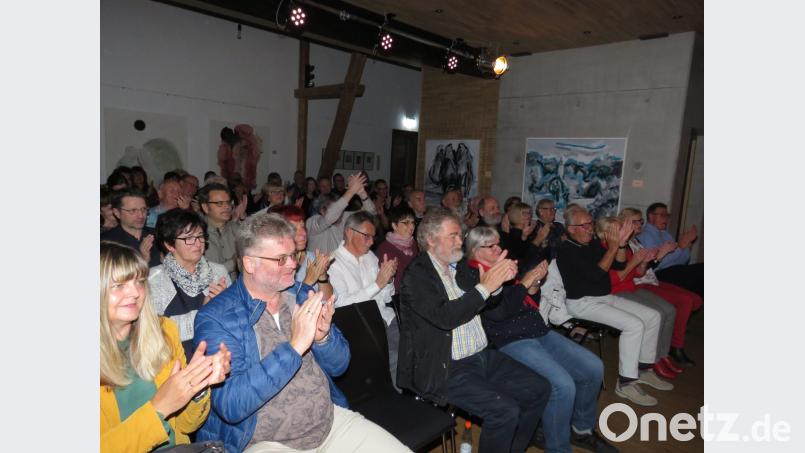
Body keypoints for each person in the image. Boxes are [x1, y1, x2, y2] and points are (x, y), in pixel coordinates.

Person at [193, 213, 409, 453]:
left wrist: (323, 339)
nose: (293, 264)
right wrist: (294, 348)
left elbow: (340, 366)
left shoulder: (300, 294)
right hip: (265, 442)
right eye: (281, 259)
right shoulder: (217, 318)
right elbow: (232, 406)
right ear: (250, 263)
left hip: (328, 422)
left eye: (293, 255)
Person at [398, 207, 550, 453]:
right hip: (446, 366)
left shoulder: (456, 268)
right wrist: (485, 287)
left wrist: (496, 283)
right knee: (505, 411)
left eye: (460, 235)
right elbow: (445, 317)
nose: (461, 241)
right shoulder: (417, 276)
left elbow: (490, 304)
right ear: (431, 240)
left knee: (539, 389)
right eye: (454, 236)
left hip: (481, 356)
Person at [456, 227, 616, 453]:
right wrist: (524, 283)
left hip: (536, 328)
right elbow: (497, 313)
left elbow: (526, 300)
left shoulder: (504, 266)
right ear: (474, 250)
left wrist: (533, 285)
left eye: (498, 244)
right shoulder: (471, 275)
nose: (498, 249)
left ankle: (581, 431)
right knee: (562, 385)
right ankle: (558, 448)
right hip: (508, 338)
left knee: (593, 368)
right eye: (491, 246)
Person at [100, 241, 230, 452]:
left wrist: (197, 385)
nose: (135, 292)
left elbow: (186, 425)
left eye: (140, 281)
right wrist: (158, 410)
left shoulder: (164, 332)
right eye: (119, 285)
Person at [556, 207, 671, 407]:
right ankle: (625, 383)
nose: (589, 229)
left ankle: (644, 369)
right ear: (571, 229)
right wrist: (612, 247)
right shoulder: (567, 250)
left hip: (603, 297)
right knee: (634, 325)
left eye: (590, 223)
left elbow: (618, 266)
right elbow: (596, 275)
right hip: (582, 303)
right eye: (583, 225)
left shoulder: (590, 244)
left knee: (653, 316)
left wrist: (621, 245)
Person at [595, 216, 680, 380]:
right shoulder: (603, 249)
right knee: (657, 314)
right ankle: (649, 361)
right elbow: (613, 280)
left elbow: (637, 274)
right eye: (619, 229)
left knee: (670, 310)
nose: (625, 231)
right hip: (615, 293)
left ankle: (661, 356)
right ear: (606, 234)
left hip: (631, 288)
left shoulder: (623, 247)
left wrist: (642, 263)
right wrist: (634, 262)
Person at [620, 208, 703, 366]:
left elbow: (680, 260)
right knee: (684, 301)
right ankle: (672, 349)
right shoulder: (626, 243)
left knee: (695, 299)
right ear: (624, 223)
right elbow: (633, 272)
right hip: (642, 282)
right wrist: (662, 254)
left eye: (640, 221)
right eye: (635, 221)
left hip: (650, 278)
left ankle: (670, 339)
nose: (640, 224)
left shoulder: (636, 240)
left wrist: (682, 247)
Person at [328, 211, 399, 388]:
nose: (372, 242)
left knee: (415, 336)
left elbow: (386, 296)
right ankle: (393, 392)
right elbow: (341, 304)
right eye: (366, 236)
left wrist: (388, 280)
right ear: (349, 232)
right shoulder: (333, 262)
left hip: (385, 317)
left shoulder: (370, 257)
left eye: (373, 237)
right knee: (398, 351)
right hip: (358, 324)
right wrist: (377, 284)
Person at [149, 208, 232, 360]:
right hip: (173, 360)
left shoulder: (218, 271)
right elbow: (155, 331)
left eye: (200, 236)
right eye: (189, 238)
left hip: (215, 354)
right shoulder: (154, 279)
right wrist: (205, 311)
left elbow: (233, 319)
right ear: (169, 244)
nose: (198, 243)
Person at [636, 202, 704, 296]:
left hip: (673, 270)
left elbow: (684, 260)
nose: (666, 219)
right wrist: (681, 247)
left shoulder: (666, 234)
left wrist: (686, 246)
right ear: (651, 217)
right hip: (658, 274)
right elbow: (657, 263)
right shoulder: (646, 235)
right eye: (662, 215)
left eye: (667, 215)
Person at [269, 204, 334, 302]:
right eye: (294, 229)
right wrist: (308, 281)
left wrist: (322, 277)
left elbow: (330, 300)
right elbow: (284, 310)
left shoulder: (312, 258)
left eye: (303, 227)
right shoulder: (273, 266)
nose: (303, 234)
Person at [306, 172, 376, 254]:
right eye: (335, 208)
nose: (338, 212)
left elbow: (371, 212)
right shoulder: (312, 222)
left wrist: (361, 192)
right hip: (316, 266)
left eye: (340, 208)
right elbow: (330, 217)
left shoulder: (345, 216)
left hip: (341, 265)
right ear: (322, 210)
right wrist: (351, 190)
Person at [198, 182, 245, 281]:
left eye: (228, 202)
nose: (227, 207)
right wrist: (233, 262)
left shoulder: (237, 229)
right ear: (205, 207)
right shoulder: (197, 235)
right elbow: (203, 275)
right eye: (219, 203)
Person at [102, 189, 162, 267]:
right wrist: (143, 261)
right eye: (133, 211)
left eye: (143, 209)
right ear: (117, 213)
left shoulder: (157, 235)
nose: (141, 215)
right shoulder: (107, 243)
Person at [374, 205, 419, 293]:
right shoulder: (386, 248)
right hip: (398, 295)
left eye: (413, 222)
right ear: (394, 225)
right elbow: (393, 283)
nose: (411, 226)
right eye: (406, 222)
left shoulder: (413, 243)